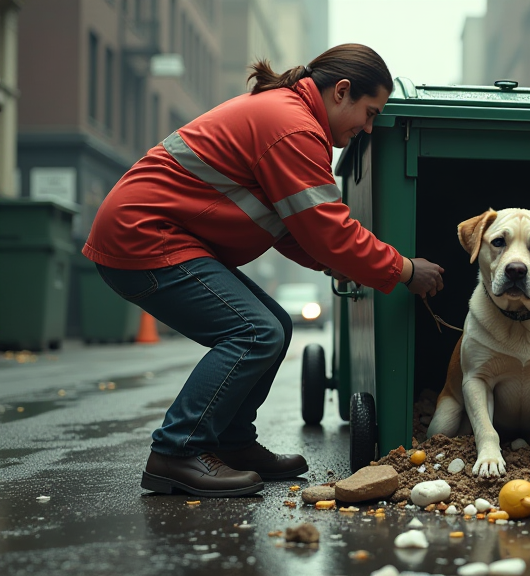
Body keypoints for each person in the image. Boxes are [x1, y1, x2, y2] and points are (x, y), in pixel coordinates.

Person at [83, 44, 445, 498]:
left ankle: (231, 444)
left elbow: (294, 231)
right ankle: (175, 453)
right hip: (144, 236)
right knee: (255, 332)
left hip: (166, 236)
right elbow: (327, 229)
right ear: (342, 91)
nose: (368, 128)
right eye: (369, 113)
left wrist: (350, 266)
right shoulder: (292, 127)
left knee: (274, 324)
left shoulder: (289, 116)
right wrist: (405, 269)